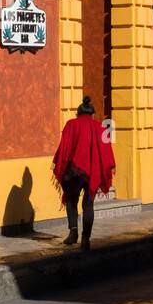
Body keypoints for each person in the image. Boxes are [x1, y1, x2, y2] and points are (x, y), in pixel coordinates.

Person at [51, 96, 116, 251]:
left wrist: (58, 163)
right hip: (92, 172)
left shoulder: (71, 125)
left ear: (77, 114)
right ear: (92, 115)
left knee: (71, 200)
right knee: (88, 204)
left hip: (74, 171)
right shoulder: (100, 127)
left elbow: (64, 147)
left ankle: (73, 233)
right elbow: (107, 151)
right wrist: (108, 167)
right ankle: (86, 238)